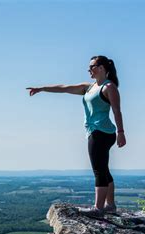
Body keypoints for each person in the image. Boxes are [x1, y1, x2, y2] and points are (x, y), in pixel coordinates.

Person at [26, 55, 126, 215]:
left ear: (101, 68)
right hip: (96, 132)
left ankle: (98, 208)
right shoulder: (89, 87)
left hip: (101, 132)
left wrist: (121, 132)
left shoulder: (109, 87)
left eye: (91, 67)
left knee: (98, 170)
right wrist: (42, 88)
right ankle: (110, 205)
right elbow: (65, 88)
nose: (89, 70)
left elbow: (117, 111)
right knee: (104, 168)